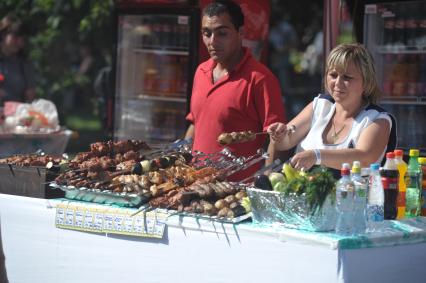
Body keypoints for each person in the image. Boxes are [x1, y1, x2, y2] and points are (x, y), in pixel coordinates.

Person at [184, 0, 286, 181]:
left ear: (240, 33)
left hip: (237, 191)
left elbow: (276, 139)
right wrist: (182, 161)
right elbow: (195, 123)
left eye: (222, 33)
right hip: (196, 184)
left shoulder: (260, 78)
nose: (212, 41)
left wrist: (267, 179)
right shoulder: (201, 71)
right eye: (206, 33)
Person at [267, 43, 397, 172]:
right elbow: (285, 142)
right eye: (333, 75)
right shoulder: (319, 106)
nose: (337, 83)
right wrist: (279, 135)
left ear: (366, 82)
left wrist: (316, 156)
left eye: (347, 77)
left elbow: (365, 158)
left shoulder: (378, 119)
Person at [0, 14, 36, 104]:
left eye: (22, 39)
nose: (19, 42)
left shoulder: (24, 63)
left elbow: (30, 96)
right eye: (15, 37)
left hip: (15, 114)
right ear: (3, 35)